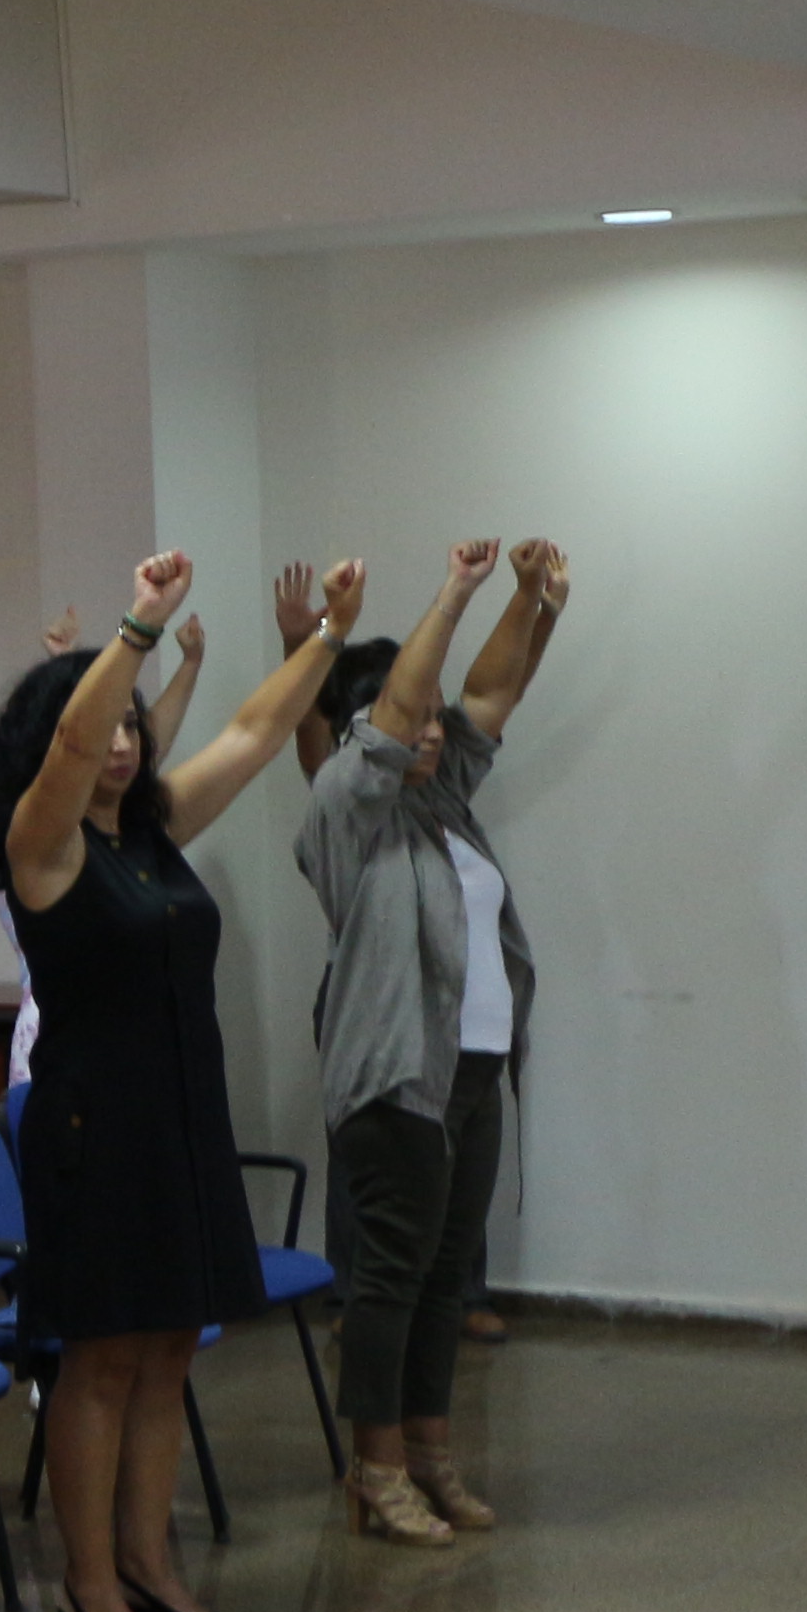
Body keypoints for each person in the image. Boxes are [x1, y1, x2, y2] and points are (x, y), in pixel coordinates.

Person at [0, 543, 355, 1612]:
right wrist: (135, 628)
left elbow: (253, 733)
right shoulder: (38, 847)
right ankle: (91, 1588)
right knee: (99, 1360)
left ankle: (153, 1563)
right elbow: (74, 740)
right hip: (92, 1129)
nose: (126, 743)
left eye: (139, 727)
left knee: (172, 1346)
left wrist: (326, 635)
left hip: (181, 1118)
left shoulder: (152, 834)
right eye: (110, 727)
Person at [293, 537, 566, 1547]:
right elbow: (406, 711)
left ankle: (431, 1452)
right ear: (363, 729)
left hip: (472, 1071)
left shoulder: (442, 802)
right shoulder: (344, 814)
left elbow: (490, 696)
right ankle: (377, 1467)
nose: (435, 732)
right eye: (412, 721)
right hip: (395, 1077)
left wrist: (536, 604)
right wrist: (453, 592)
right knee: (391, 1277)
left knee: (445, 1276)